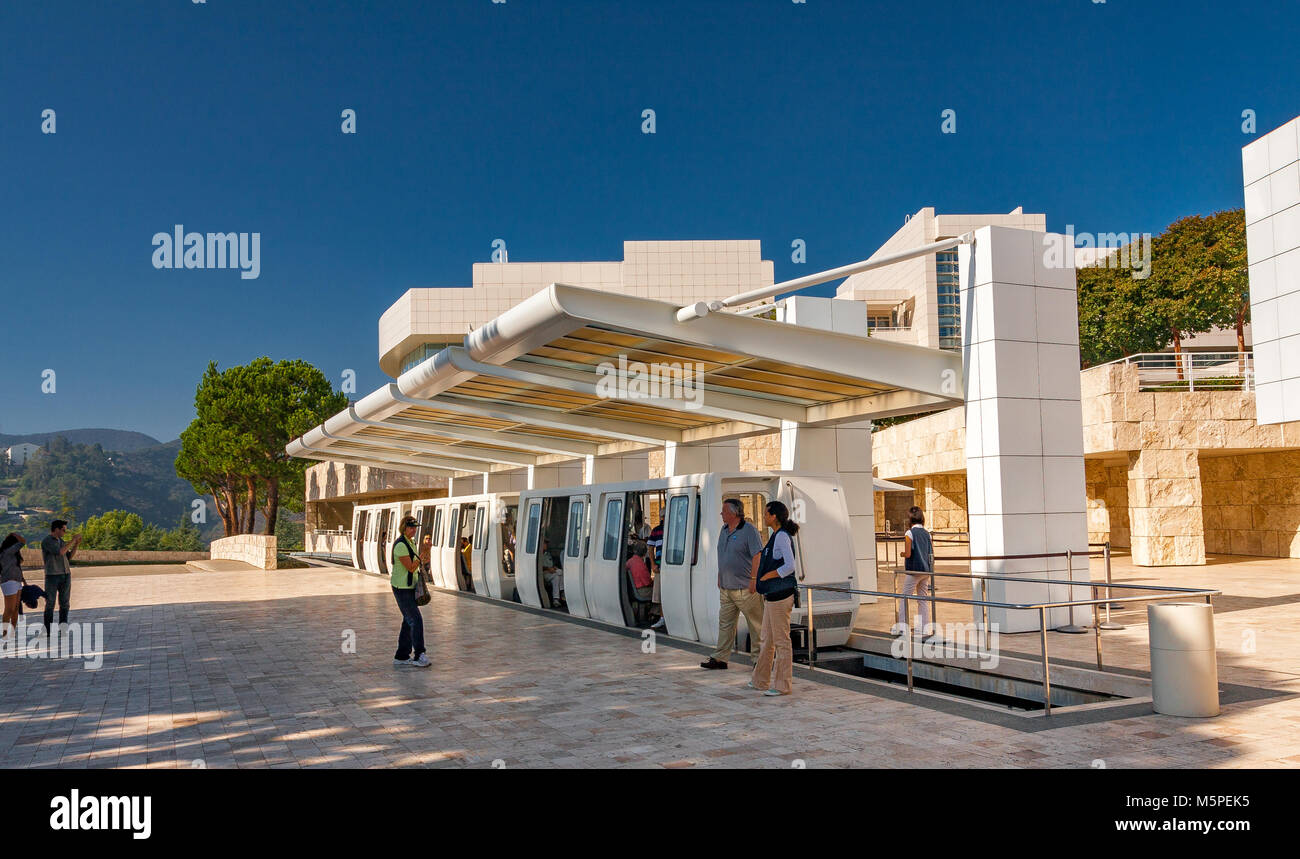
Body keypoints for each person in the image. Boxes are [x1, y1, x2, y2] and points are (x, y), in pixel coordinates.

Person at [701, 498, 764, 670]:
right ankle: (720, 657)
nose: (721, 514)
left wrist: (753, 580)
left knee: (756, 625)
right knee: (725, 624)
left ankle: (760, 660)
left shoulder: (749, 531)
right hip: (727, 588)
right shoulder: (723, 530)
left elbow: (757, 556)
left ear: (734, 513)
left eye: (724, 511)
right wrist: (720, 576)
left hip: (746, 588)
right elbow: (723, 555)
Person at [750, 501, 799, 697]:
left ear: (774, 516)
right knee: (767, 639)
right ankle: (760, 680)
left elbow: (790, 566)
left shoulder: (781, 538)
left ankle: (782, 685)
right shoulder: (775, 536)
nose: (763, 516)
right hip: (772, 597)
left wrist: (768, 576)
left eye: (766, 513)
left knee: (781, 641)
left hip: (780, 596)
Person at [391, 516, 430, 668]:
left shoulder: (411, 542)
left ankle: (401, 656)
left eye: (415, 527)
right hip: (401, 588)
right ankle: (419, 654)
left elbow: (419, 562)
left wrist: (426, 551)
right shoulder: (401, 545)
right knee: (416, 620)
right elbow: (411, 567)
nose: (414, 530)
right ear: (404, 528)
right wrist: (422, 555)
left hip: (410, 587)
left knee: (408, 621)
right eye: (411, 527)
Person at [898, 505, 935, 640]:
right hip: (926, 570)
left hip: (913, 570)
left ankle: (902, 627)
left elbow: (908, 553)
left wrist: (902, 553)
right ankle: (924, 628)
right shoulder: (927, 533)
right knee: (923, 599)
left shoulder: (909, 533)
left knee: (904, 598)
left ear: (910, 520)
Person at [41, 520, 79, 635]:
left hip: (65, 574)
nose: (65, 532)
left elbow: (68, 556)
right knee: (50, 603)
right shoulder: (47, 541)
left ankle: (63, 629)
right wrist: (72, 540)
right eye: (63, 530)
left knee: (65, 603)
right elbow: (60, 552)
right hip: (52, 575)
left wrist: (76, 544)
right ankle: (47, 631)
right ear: (56, 529)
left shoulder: (61, 541)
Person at [0, 533, 27, 636]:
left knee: (16, 608)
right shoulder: (7, 552)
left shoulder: (12, 553)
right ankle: (5, 633)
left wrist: (23, 581)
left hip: (17, 581)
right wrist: (14, 534)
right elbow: (23, 541)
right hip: (9, 581)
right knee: (9, 609)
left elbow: (17, 568)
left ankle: (12, 632)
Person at [647, 518, 666, 629]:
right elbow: (650, 547)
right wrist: (653, 564)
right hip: (659, 565)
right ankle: (662, 618)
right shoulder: (656, 530)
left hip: (672, 564)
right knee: (660, 594)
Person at [539, 538, 563, 608]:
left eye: (546, 543)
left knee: (561, 572)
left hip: (551, 572)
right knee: (556, 577)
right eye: (545, 543)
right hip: (544, 573)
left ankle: (556, 599)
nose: (546, 545)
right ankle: (561, 593)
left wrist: (554, 567)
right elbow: (537, 566)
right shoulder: (538, 555)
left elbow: (550, 563)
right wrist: (547, 568)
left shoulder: (547, 554)